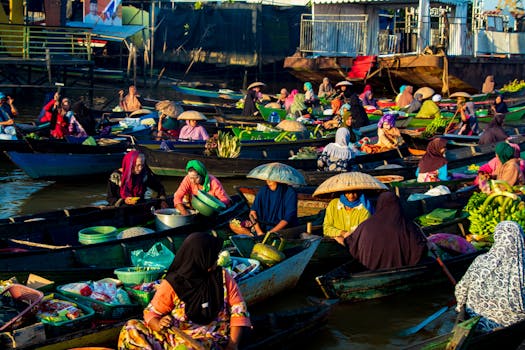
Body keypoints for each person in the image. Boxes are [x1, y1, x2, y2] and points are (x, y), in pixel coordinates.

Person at [118, 232, 251, 349]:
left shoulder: (221, 277)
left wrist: (233, 345)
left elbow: (238, 310)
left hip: (209, 339)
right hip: (175, 336)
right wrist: (158, 323)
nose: (216, 261)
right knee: (132, 327)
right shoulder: (173, 283)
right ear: (200, 258)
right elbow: (151, 313)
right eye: (213, 257)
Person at [454, 221, 525, 332]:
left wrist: (459, 309)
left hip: (476, 321)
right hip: (511, 324)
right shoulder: (522, 267)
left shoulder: (480, 260)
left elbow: (461, 289)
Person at [344, 192, 428, 270]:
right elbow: (419, 249)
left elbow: (350, 243)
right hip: (400, 269)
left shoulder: (364, 225)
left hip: (369, 269)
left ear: (379, 205)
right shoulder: (408, 226)